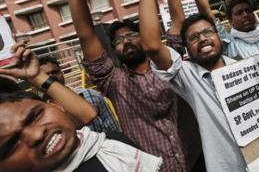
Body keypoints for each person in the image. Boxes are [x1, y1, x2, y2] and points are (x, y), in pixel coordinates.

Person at [54, 0, 187, 171]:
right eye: (118, 40)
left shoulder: (169, 63)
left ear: (145, 37)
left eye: (132, 35)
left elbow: (177, 21)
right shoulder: (114, 82)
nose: (125, 41)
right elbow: (86, 34)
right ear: (114, 51)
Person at [137, 0, 247, 172]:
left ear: (219, 37)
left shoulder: (243, 67)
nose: (203, 38)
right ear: (186, 49)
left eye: (208, 32)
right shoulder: (187, 76)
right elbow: (151, 44)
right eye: (194, 37)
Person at [0, 43, 162, 172]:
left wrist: (37, 76)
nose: (36, 135)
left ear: (55, 106)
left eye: (35, 116)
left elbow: (88, 114)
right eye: (12, 144)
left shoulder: (111, 145)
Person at [38, 56, 120, 133]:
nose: (51, 77)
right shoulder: (39, 113)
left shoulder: (90, 95)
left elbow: (113, 129)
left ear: (62, 73)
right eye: (45, 76)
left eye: (55, 72)